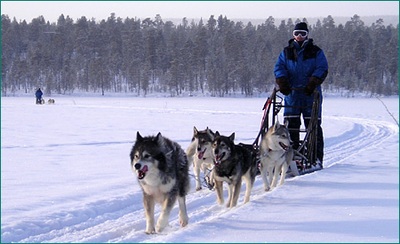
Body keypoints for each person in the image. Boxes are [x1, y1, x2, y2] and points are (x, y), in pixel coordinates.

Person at [274, 22, 328, 166]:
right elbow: (279, 67)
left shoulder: (316, 51)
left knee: (313, 127)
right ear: (293, 35)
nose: (299, 36)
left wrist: (313, 82)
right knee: (291, 127)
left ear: (307, 35)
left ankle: (315, 158)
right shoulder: (286, 52)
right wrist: (282, 81)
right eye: (297, 33)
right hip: (292, 95)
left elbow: (322, 68)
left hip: (311, 95)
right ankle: (292, 157)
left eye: (302, 34)